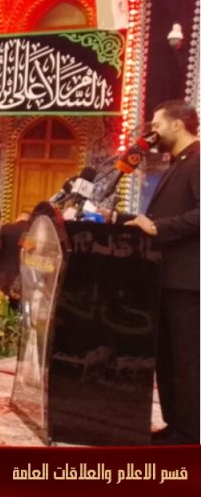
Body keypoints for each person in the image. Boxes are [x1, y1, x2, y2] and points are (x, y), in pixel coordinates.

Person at [115, 100, 199, 446]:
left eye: (157, 124)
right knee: (166, 359)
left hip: (188, 283)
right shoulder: (179, 163)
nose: (152, 132)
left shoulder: (198, 161)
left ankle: (190, 433)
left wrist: (158, 227)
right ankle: (175, 424)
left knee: (185, 360)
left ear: (178, 124)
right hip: (167, 278)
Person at [0, 211, 31, 306]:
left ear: (18, 217)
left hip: (2, 272)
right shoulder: (30, 230)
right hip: (21, 274)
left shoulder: (5, 228)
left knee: (0, 304)